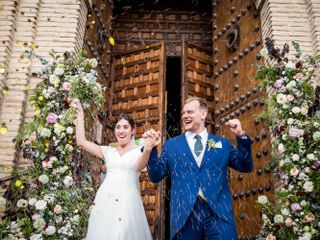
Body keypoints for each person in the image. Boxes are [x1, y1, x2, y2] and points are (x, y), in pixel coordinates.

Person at [144, 97, 253, 240]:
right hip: (185, 215)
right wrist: (151, 149)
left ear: (203, 114)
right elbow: (156, 175)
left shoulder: (222, 144)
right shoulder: (172, 145)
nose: (185, 116)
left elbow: (245, 166)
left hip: (218, 213)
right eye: (183, 113)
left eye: (190, 112)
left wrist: (241, 135)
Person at [75, 100, 159, 240]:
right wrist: (80, 114)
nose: (121, 131)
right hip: (105, 201)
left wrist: (148, 149)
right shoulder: (108, 152)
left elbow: (139, 166)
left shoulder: (141, 150)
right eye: (118, 127)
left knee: (123, 233)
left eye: (125, 127)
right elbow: (81, 142)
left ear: (132, 130)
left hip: (128, 201)